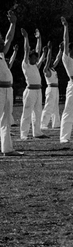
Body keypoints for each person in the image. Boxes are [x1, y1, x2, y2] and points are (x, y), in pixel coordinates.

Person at [18, 28, 45, 140]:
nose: (35, 59)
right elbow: (26, 50)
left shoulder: (35, 66)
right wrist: (26, 37)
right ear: (29, 58)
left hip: (38, 91)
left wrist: (39, 38)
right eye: (33, 58)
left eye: (36, 58)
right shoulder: (26, 64)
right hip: (30, 91)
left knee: (38, 112)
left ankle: (37, 132)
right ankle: (23, 134)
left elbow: (38, 50)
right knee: (27, 113)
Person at [0, 11, 17, 155]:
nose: (1, 41)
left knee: (6, 121)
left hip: (7, 90)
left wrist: (13, 23)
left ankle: (7, 149)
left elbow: (9, 39)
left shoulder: (1, 54)